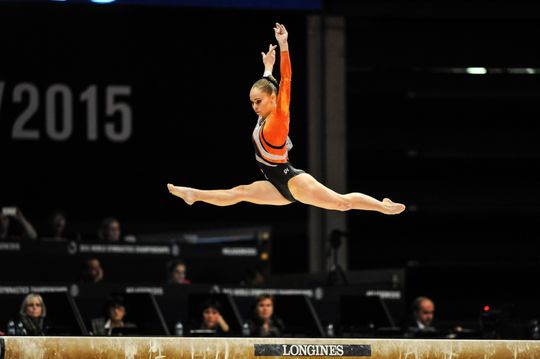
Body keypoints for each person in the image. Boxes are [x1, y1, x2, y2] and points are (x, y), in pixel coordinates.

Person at [167, 23, 405, 215]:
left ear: (272, 99)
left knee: (342, 203)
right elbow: (267, 85)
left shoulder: (278, 118)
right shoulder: (265, 109)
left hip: (292, 181)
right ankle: (193, 195)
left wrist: (284, 45)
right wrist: (267, 69)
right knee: (239, 192)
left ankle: (382, 206)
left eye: (258, 102)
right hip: (274, 183)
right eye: (251, 102)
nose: (254, 106)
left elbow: (286, 80)